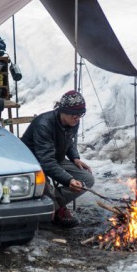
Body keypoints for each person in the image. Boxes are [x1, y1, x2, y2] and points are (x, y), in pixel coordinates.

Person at [21, 90, 95, 228]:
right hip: (34, 162)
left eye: (81, 114)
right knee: (42, 184)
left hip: (56, 158)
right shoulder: (44, 124)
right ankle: (56, 210)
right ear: (62, 111)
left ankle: (54, 204)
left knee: (87, 180)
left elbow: (69, 141)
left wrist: (75, 157)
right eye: (74, 114)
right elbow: (46, 162)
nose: (78, 118)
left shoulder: (73, 121)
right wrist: (69, 180)